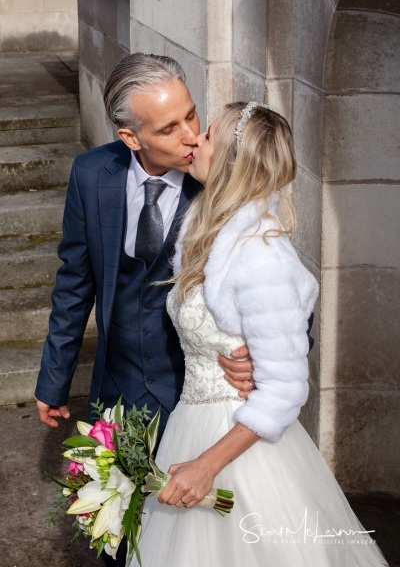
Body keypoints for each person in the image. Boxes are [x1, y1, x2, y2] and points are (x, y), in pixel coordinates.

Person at [130, 102, 388, 567]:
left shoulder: (263, 256)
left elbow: (287, 388)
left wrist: (206, 466)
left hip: (234, 447)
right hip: (193, 423)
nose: (194, 141)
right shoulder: (209, 226)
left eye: (206, 135)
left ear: (230, 162)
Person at [34, 54, 253, 567]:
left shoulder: (222, 181)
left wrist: (273, 356)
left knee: (200, 534)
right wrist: (54, 378)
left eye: (192, 115)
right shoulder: (92, 174)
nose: (192, 136)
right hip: (119, 386)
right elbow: (74, 281)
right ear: (131, 137)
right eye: (170, 127)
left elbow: (281, 281)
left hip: (198, 394)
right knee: (118, 534)